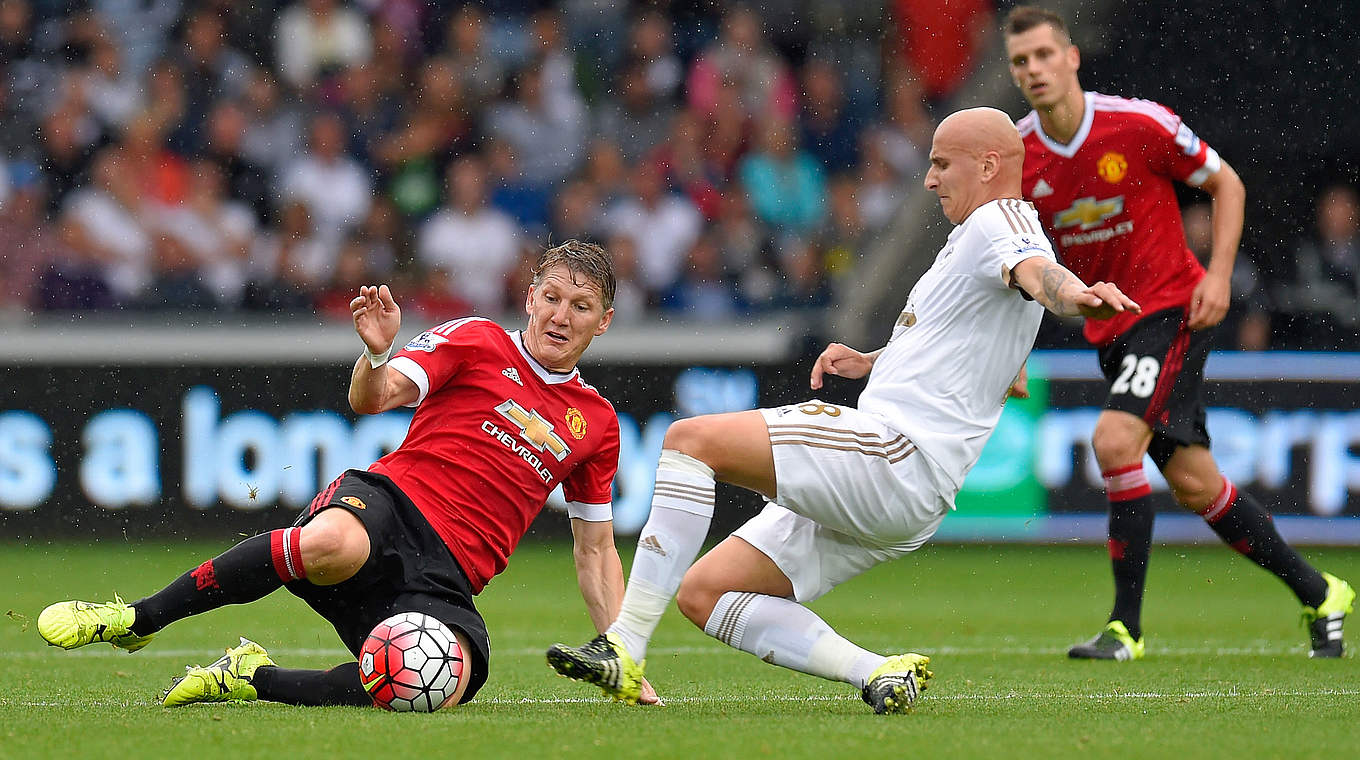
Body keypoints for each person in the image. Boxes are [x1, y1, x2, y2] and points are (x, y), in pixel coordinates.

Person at [547, 108, 1139, 714]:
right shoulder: (976, 240)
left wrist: (1077, 297)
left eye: (940, 163)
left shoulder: (999, 221)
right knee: (706, 592)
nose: (929, 180)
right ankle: (878, 672)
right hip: (911, 497)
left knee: (689, 441)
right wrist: (875, 359)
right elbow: (963, 333)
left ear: (988, 166)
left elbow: (1041, 275)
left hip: (893, 454)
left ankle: (623, 645)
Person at [37, 240, 659, 709]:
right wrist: (376, 352)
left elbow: (595, 549)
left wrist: (623, 656)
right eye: (551, 297)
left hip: (451, 574)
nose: (560, 315)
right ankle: (137, 620)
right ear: (529, 299)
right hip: (393, 503)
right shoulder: (478, 341)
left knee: (437, 680)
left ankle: (250, 678)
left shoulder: (597, 423)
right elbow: (374, 397)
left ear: (602, 322)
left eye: (581, 306)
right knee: (330, 544)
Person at [1002, 6, 1353, 661]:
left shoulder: (1139, 124)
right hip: (1113, 336)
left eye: (1045, 55)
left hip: (1171, 312)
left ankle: (1124, 630)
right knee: (1197, 485)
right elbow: (1024, 261)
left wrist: (1218, 275)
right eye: (1021, 61)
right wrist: (1014, 348)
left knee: (1113, 440)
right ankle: (1322, 590)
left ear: (1072, 57)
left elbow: (1227, 183)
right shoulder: (1019, 157)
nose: (1034, 70)